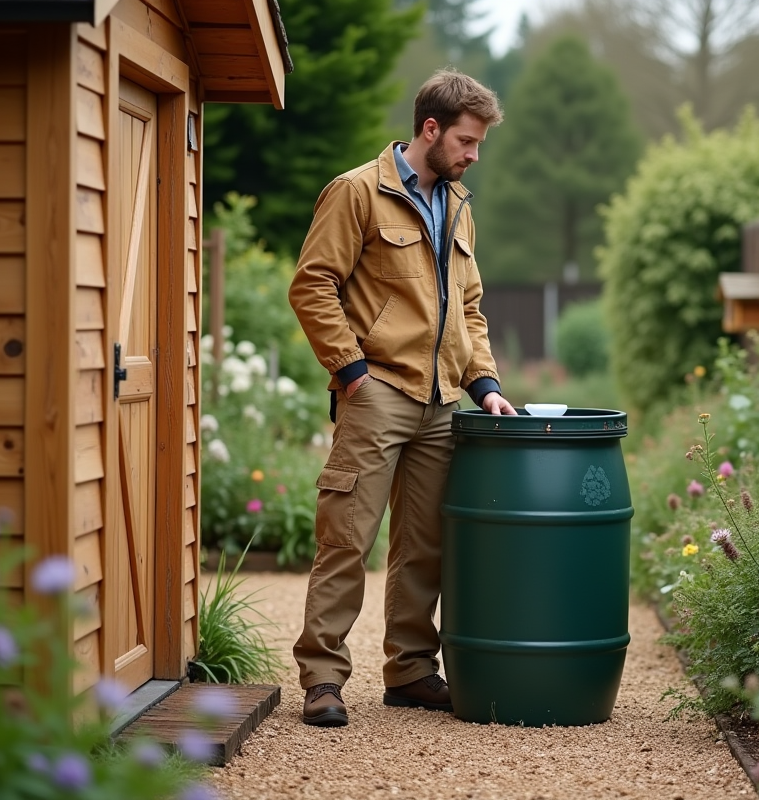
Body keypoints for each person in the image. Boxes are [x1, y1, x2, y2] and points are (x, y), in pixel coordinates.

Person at [288, 69, 516, 728]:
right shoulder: (357, 191)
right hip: (378, 391)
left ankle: (411, 670)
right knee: (346, 538)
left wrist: (485, 385)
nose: (474, 156)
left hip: (443, 401)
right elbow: (313, 285)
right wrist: (352, 370)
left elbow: (468, 308)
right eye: (467, 142)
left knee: (425, 545)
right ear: (430, 129)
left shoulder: (459, 205)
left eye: (479, 144)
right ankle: (322, 677)